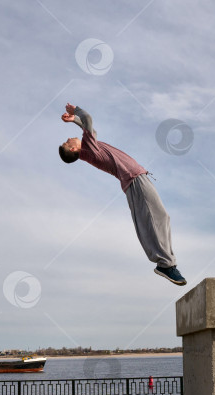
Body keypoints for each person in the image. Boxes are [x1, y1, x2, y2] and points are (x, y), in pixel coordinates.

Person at [59, 103, 186, 286]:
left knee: (159, 218)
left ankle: (167, 263)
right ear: (73, 150)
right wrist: (76, 111)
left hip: (137, 179)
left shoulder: (90, 147)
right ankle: (166, 264)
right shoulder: (88, 149)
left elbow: (89, 127)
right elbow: (88, 119)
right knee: (154, 219)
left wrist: (75, 121)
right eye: (66, 142)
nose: (68, 138)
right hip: (134, 180)